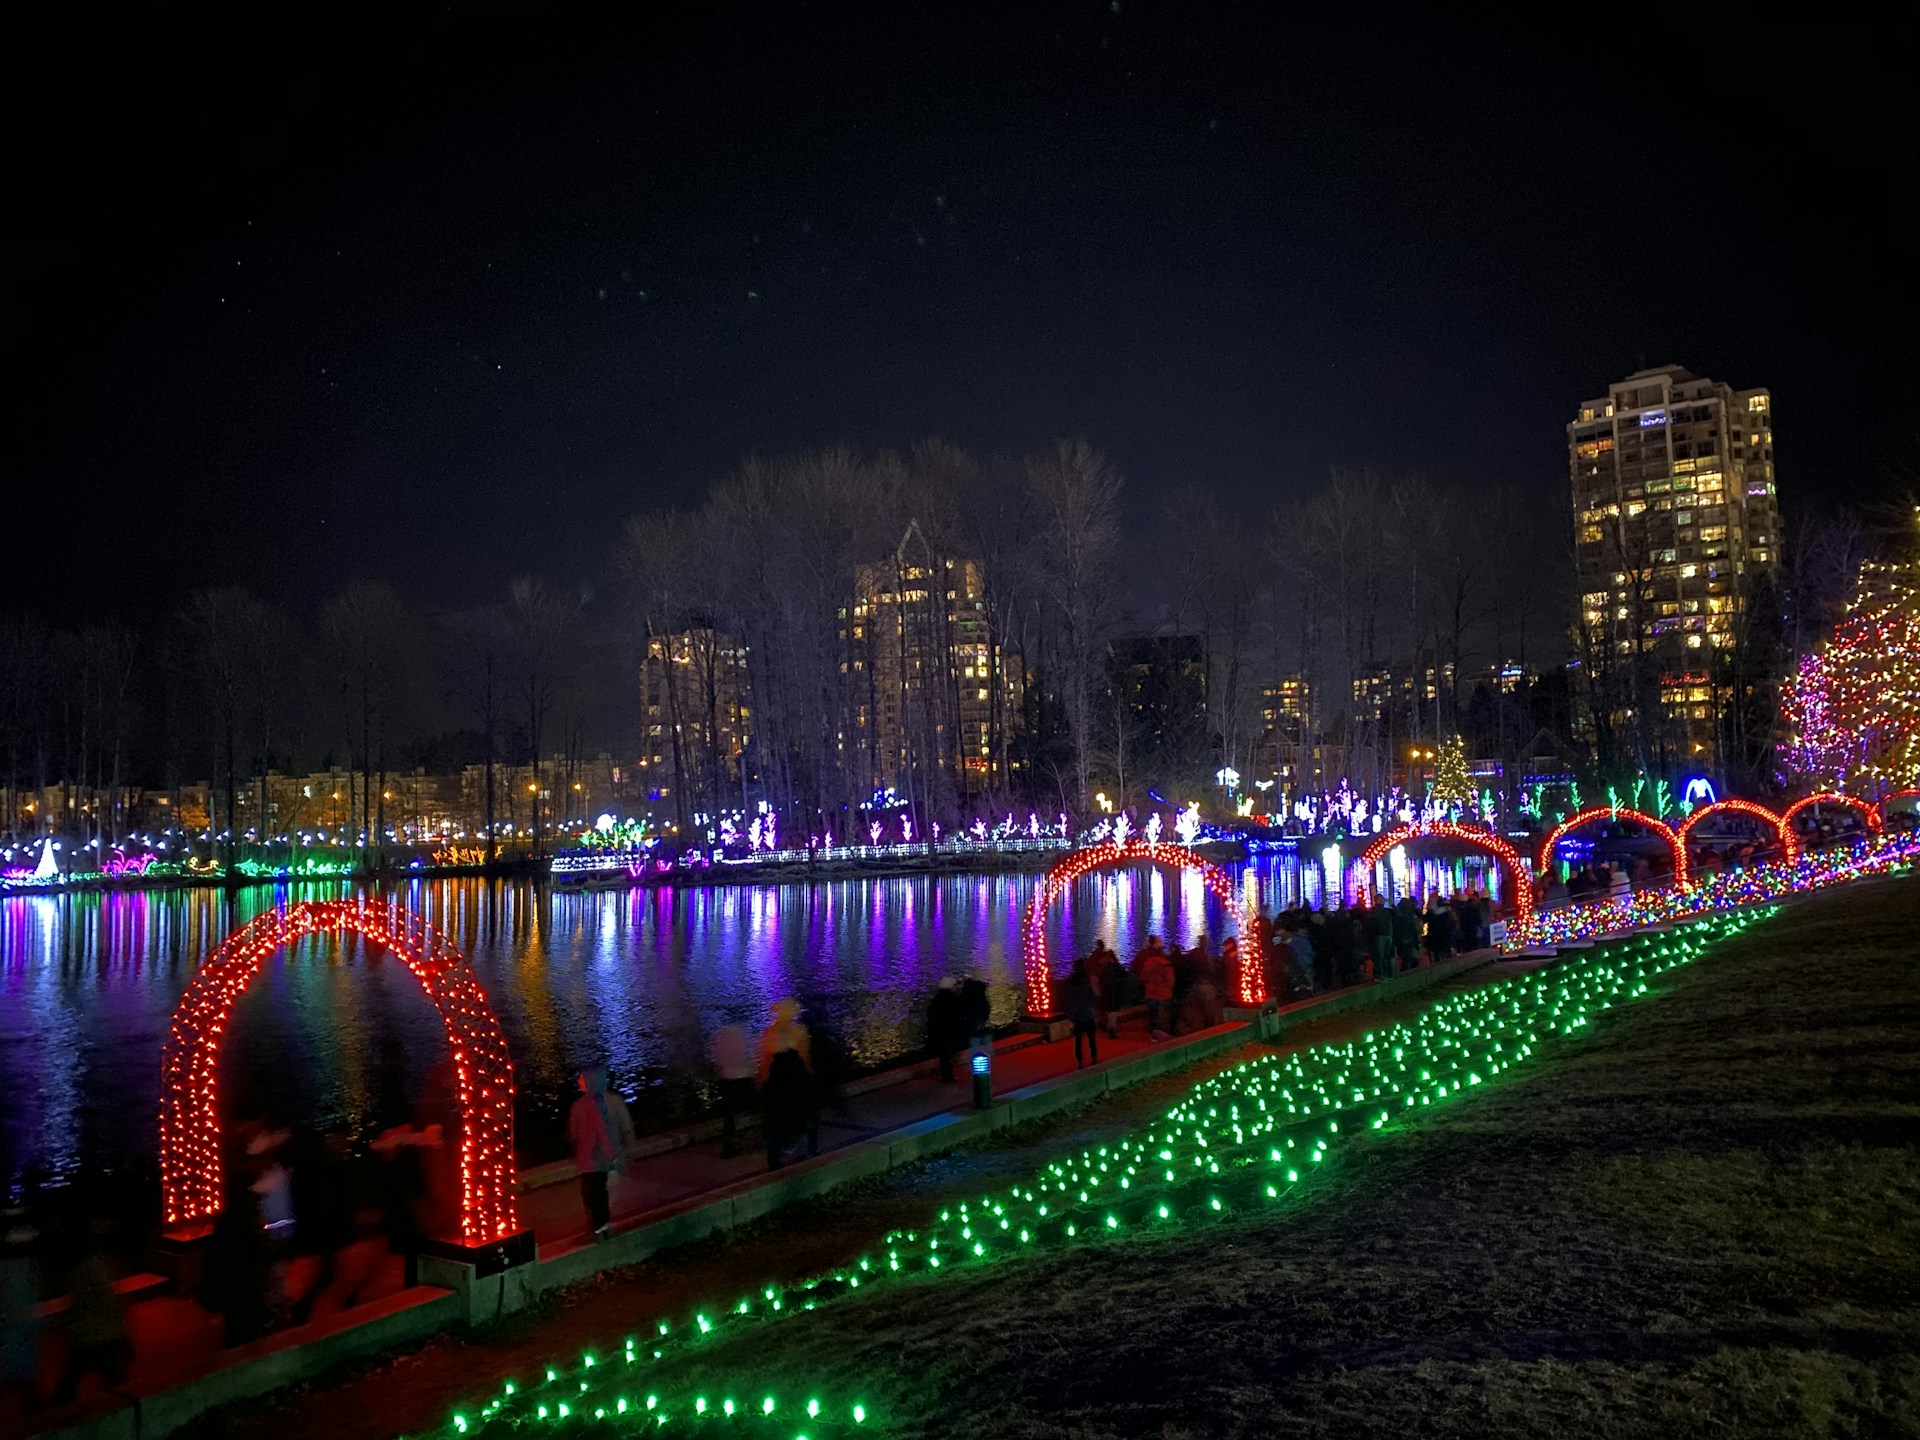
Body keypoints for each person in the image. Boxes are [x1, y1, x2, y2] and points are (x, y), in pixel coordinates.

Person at [50, 1220, 127, 1404]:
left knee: (71, 1380)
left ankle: (53, 1418)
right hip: (104, 1335)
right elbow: (110, 1300)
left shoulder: (85, 1269)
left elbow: (90, 1301)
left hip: (91, 1337)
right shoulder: (96, 1266)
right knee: (114, 1378)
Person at [567, 1066, 635, 1242]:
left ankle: (597, 1231)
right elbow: (626, 1127)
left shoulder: (580, 1106)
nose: (579, 1082)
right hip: (611, 1157)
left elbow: (575, 1134)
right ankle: (602, 1229)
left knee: (592, 1196)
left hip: (591, 1160)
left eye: (581, 1079)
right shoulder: (614, 1101)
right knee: (603, 1196)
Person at [758, 999, 815, 1170]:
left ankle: (775, 1159)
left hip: (773, 1084)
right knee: (798, 1119)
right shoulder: (798, 1031)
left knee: (775, 1123)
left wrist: (761, 1081)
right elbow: (805, 1058)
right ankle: (800, 1154)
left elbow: (763, 1060)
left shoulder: (769, 1032)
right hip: (794, 1084)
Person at [709, 1024, 757, 1159]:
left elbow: (717, 1061)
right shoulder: (743, 1039)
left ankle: (729, 1147)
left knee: (729, 1117)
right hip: (743, 1080)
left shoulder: (720, 1041)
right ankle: (754, 1139)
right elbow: (750, 1059)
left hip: (727, 1081)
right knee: (752, 1108)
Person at [927, 977, 967, 1083]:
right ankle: (948, 1075)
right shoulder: (953, 998)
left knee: (944, 1055)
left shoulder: (937, 999)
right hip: (950, 1030)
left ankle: (946, 1075)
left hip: (940, 1031)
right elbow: (958, 1014)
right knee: (950, 1052)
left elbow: (931, 1015)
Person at [1136, 936, 1176, 1040]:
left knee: (1153, 1015)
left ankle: (1153, 1035)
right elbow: (1170, 980)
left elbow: (1142, 977)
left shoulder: (1148, 963)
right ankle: (1164, 1034)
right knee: (1164, 1015)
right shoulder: (1166, 964)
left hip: (1151, 992)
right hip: (1164, 994)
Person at [1063, 958, 1100, 1069]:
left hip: (1077, 1015)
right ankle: (1094, 1058)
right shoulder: (1087, 983)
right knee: (1091, 1038)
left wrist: (1070, 1016)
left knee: (1078, 1040)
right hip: (1088, 1014)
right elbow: (1092, 998)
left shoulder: (1071, 985)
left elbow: (1068, 1001)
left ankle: (1080, 1062)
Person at [1089, 939, 1125, 1038]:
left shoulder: (1094, 956)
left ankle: (1101, 1022)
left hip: (1100, 982)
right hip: (1108, 986)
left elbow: (1091, 968)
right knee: (1109, 1006)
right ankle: (1109, 1026)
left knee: (1100, 1002)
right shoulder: (1109, 960)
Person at [1392, 896, 1421, 973]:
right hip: (1409, 937)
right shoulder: (1410, 914)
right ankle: (1408, 968)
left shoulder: (1398, 914)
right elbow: (1413, 928)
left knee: (1404, 955)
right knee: (1409, 954)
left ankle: (1405, 968)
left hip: (1401, 937)